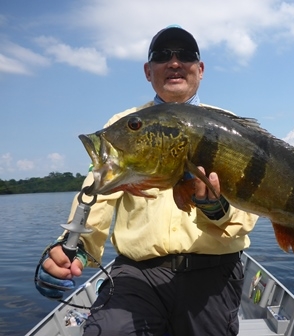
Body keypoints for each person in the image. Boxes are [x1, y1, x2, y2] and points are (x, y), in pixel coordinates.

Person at [35, 25, 259, 336]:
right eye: (162, 55)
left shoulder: (228, 128)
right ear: (147, 70)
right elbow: (96, 194)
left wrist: (215, 208)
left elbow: (250, 208)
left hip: (212, 272)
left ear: (201, 68)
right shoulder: (125, 126)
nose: (175, 62)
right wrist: (75, 249)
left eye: (185, 55)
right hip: (137, 274)